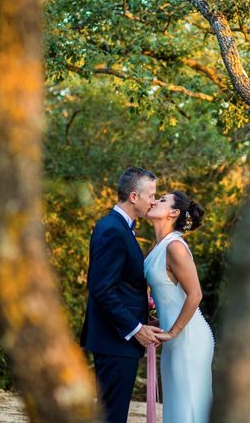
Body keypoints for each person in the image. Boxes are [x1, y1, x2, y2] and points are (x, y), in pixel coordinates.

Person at [80, 167, 164, 423]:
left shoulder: (121, 228)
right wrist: (136, 327)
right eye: (151, 194)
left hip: (117, 340)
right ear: (133, 196)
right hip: (115, 339)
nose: (154, 200)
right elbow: (102, 289)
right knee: (111, 415)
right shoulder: (113, 230)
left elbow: (122, 285)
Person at [145, 191, 214, 423]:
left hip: (188, 338)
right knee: (176, 408)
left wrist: (173, 331)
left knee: (189, 408)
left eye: (162, 200)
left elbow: (195, 294)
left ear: (174, 213)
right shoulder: (159, 246)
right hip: (173, 337)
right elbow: (171, 296)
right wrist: (157, 324)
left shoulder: (175, 247)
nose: (154, 201)